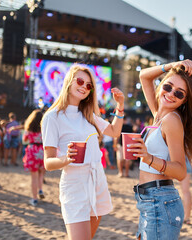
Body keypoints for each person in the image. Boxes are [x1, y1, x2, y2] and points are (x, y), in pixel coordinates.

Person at [128, 59, 192, 239]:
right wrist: (173, 65)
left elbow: (181, 171)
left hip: (159, 201)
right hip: (149, 200)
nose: (171, 94)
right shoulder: (159, 114)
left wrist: (148, 157)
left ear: (184, 101)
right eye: (168, 87)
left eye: (179, 93)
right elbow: (144, 76)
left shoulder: (172, 120)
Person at [41, 64, 124, 240]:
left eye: (88, 85)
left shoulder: (88, 115)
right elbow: (48, 163)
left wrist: (120, 106)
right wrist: (66, 158)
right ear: (69, 81)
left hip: (97, 179)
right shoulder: (52, 117)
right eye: (80, 81)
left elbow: (115, 132)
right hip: (75, 183)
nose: (84, 87)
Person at [23, 109, 45, 206]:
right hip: (42, 151)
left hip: (32, 151)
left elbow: (24, 139)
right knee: (41, 174)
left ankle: (34, 198)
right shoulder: (45, 128)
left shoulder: (29, 128)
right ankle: (40, 189)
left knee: (34, 177)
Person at [179, 157, 192, 225]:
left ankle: (186, 217)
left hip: (174, 162)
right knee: (186, 191)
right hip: (187, 161)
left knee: (185, 191)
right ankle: (187, 217)